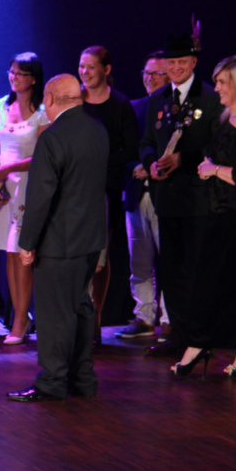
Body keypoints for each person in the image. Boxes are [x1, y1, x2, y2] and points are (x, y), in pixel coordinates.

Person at [7, 74, 109, 402]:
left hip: (59, 242)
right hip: (91, 238)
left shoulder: (53, 137)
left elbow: (41, 196)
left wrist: (27, 243)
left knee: (54, 314)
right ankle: (83, 379)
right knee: (80, 307)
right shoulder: (98, 130)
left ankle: (52, 382)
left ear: (50, 99)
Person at [171, 56, 236, 378]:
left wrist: (214, 169)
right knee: (208, 284)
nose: (216, 88)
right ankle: (199, 344)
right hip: (223, 213)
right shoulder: (231, 117)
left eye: (222, 82)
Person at [139, 34, 222, 356]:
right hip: (167, 197)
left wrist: (182, 159)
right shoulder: (158, 98)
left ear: (193, 63)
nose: (175, 68)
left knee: (196, 269)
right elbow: (147, 141)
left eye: (181, 62)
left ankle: (201, 338)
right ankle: (178, 336)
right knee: (170, 270)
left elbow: (217, 145)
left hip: (198, 197)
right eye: (171, 63)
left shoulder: (210, 97)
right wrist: (151, 162)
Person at [0, 52, 50, 345]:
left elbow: (43, 156)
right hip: (3, 185)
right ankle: (19, 316)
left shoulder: (42, 113)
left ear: (33, 78)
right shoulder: (0, 107)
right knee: (8, 253)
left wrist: (9, 168)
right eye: (12, 72)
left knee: (22, 253)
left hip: (28, 186)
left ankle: (21, 319)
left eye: (20, 73)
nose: (14, 77)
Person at [78, 46, 140, 344]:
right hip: (75, 188)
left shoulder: (120, 105)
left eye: (91, 66)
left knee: (99, 255)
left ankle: (95, 318)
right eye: (81, 66)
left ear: (106, 69)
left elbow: (130, 149)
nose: (85, 72)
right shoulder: (74, 100)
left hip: (106, 189)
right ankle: (76, 318)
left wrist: (99, 160)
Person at [117, 52, 171, 341]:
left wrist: (152, 167)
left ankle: (170, 318)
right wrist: (135, 166)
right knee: (139, 260)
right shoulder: (133, 107)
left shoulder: (176, 107)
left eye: (157, 74)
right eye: (146, 73)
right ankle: (144, 316)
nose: (150, 78)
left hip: (166, 194)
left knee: (171, 259)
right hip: (136, 193)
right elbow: (122, 148)